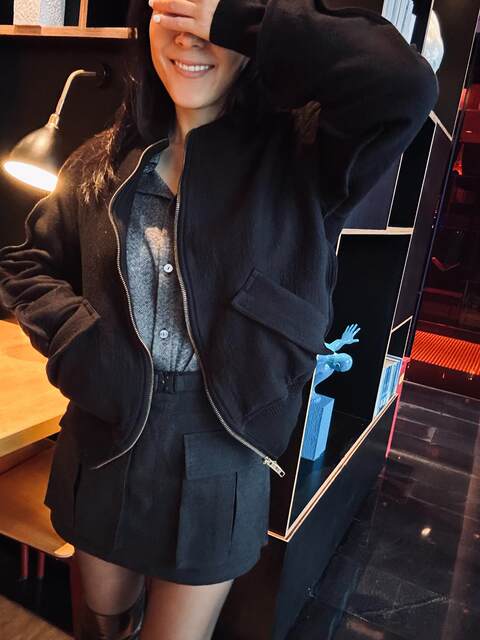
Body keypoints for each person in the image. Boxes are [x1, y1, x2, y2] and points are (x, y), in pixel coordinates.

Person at [0, 0, 439, 638]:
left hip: (221, 447)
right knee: (104, 619)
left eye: (209, 13)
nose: (191, 35)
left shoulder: (304, 155)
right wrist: (76, 336)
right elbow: (26, 263)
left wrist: (234, 18)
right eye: (172, 9)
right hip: (104, 435)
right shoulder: (102, 160)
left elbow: (404, 82)